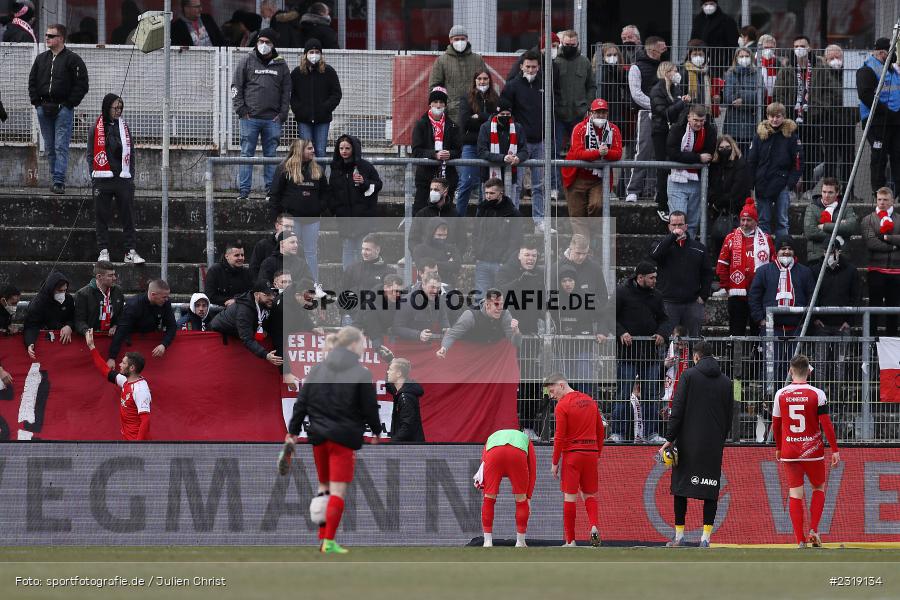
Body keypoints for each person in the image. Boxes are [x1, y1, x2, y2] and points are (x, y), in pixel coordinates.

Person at [286, 326, 381, 554]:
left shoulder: (317, 370)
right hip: (343, 437)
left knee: (324, 488)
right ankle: (328, 542)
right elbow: (369, 407)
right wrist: (376, 430)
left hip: (318, 437)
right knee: (338, 492)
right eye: (362, 342)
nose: (363, 346)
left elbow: (301, 403)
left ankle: (322, 539)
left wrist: (293, 431)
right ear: (353, 344)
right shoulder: (361, 373)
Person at [660, 341, 732, 548]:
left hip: (688, 442)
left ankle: (679, 537)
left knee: (680, 488)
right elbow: (729, 415)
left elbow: (677, 409)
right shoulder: (727, 382)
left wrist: (669, 438)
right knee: (710, 490)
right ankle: (705, 539)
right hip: (713, 444)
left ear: (696, 357)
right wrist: (720, 439)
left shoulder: (688, 376)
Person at [772, 354, 841, 548]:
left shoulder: (780, 394)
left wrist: (778, 448)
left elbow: (775, 425)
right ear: (809, 372)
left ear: (790, 371)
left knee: (795, 494)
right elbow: (826, 424)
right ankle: (814, 530)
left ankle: (799, 540)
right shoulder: (817, 394)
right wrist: (835, 449)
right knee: (818, 488)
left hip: (790, 450)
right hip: (813, 451)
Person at [28, 24, 89, 194]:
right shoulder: (41, 59)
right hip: (43, 107)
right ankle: (55, 178)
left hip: (63, 108)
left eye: (51, 35)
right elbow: (32, 81)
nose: (47, 38)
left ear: (61, 38)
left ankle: (59, 181)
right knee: (49, 147)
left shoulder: (73, 60)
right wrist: (37, 103)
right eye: (46, 35)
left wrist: (69, 104)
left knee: (60, 146)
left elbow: (82, 84)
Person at [546, 372, 605, 547]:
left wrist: (555, 462)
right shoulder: (590, 401)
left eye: (552, 391)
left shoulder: (562, 406)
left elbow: (559, 437)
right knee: (589, 495)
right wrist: (597, 453)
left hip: (572, 455)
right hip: (591, 453)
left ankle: (570, 541)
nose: (551, 396)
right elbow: (600, 431)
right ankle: (593, 526)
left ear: (561, 385)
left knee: (569, 498)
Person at [612, 262, 668, 443]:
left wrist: (662, 333)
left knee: (651, 396)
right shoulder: (622, 292)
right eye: (651, 278)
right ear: (640, 277)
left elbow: (665, 320)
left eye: (655, 277)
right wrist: (621, 332)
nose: (655, 281)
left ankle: (651, 434)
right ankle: (618, 433)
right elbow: (609, 316)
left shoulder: (657, 295)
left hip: (650, 355)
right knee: (623, 394)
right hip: (627, 354)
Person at [232, 28, 291, 201]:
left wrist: (282, 114)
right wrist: (241, 110)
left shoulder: (281, 65)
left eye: (267, 42)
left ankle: (270, 192)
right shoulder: (246, 60)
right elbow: (236, 87)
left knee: (271, 156)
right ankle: (244, 192)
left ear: (273, 45)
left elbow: (286, 92)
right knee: (246, 154)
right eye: (261, 41)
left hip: (272, 120)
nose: (263, 45)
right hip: (249, 118)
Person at [749, 237, 815, 385]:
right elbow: (754, 296)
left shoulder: (805, 272)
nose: (786, 252)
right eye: (783, 249)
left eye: (790, 249)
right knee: (771, 365)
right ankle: (770, 396)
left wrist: (805, 320)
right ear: (776, 251)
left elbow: (812, 295)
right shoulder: (763, 271)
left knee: (795, 367)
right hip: (771, 327)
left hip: (797, 327)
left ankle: (792, 394)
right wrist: (760, 319)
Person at [88, 93, 144, 264]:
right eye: (115, 108)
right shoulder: (96, 128)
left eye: (121, 108)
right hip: (102, 179)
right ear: (107, 108)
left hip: (122, 178)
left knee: (128, 216)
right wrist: (94, 175)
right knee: (101, 216)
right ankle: (103, 250)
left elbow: (131, 153)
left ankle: (130, 251)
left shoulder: (124, 128)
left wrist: (130, 176)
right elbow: (90, 154)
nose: (119, 111)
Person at [501, 51, 551, 232]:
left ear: (539, 67)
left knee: (539, 185)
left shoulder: (544, 85)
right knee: (516, 184)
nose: (531, 70)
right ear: (521, 66)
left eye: (534, 67)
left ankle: (539, 221)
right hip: (519, 144)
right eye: (528, 66)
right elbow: (505, 115)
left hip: (540, 142)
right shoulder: (511, 86)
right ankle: (513, 220)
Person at [268, 139, 329, 286]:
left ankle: (312, 285)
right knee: (289, 252)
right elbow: (275, 194)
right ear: (300, 151)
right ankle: (289, 284)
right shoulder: (284, 168)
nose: (313, 151)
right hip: (291, 220)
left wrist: (318, 207)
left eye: (312, 148)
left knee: (310, 253)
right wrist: (276, 219)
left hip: (312, 220)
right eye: (309, 148)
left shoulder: (317, 169)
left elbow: (326, 193)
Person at [562, 98, 623, 242]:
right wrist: (599, 153)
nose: (600, 115)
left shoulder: (613, 129)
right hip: (576, 177)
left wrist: (606, 153)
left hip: (599, 179)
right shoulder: (579, 128)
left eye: (603, 112)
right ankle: (582, 247)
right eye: (597, 112)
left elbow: (618, 153)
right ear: (590, 113)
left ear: (607, 114)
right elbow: (578, 153)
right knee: (577, 215)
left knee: (597, 205)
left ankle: (589, 242)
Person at [715, 198, 775, 336]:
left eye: (749, 220)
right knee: (736, 332)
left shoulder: (766, 239)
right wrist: (727, 286)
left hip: (759, 294)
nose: (745, 223)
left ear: (756, 221)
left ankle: (757, 352)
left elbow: (773, 265)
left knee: (757, 333)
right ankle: (734, 352)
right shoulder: (730, 238)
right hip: (737, 295)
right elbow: (722, 265)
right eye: (743, 220)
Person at [649, 211, 713, 337]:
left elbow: (707, 273)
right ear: (669, 226)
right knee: (665, 340)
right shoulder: (661, 245)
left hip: (692, 303)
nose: (677, 228)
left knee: (693, 341)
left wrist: (703, 296)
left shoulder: (699, 248)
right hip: (667, 302)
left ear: (686, 226)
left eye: (680, 225)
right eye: (674, 225)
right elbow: (655, 255)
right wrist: (672, 237)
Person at [473, 428, 536, 548]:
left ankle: (487, 542)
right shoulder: (526, 439)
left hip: (493, 453)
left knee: (489, 498)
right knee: (521, 499)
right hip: (517, 454)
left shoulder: (492, 437)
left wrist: (485, 488)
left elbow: (484, 462)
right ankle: (520, 542)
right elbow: (532, 471)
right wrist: (528, 497)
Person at [747, 102, 802, 238]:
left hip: (782, 184)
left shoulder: (791, 137)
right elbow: (752, 161)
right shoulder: (759, 136)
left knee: (782, 222)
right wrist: (752, 184)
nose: (774, 120)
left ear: (783, 117)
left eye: (778, 116)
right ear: (767, 116)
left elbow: (798, 163)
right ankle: (764, 249)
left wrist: (789, 184)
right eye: (771, 116)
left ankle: (783, 249)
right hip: (762, 183)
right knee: (763, 221)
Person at [85, 329, 151, 441]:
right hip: (127, 441)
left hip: (137, 444)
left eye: (123, 363)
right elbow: (105, 371)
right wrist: (91, 346)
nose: (120, 364)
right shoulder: (126, 381)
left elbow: (145, 420)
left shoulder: (140, 389)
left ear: (132, 368)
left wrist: (138, 446)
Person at [329, 134, 382, 269]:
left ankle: (362, 278)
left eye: (347, 148)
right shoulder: (335, 168)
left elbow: (378, 184)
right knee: (347, 249)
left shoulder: (365, 166)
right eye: (341, 148)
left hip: (363, 218)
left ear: (354, 149)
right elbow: (332, 191)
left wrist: (365, 182)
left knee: (361, 251)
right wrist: (334, 209)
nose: (344, 151)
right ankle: (348, 278)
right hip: (344, 218)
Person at [625, 36, 667, 203]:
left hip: (664, 114)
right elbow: (636, 94)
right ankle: (633, 190)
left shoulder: (664, 67)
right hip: (646, 113)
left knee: (663, 153)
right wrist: (657, 106)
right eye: (662, 49)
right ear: (652, 50)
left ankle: (660, 191)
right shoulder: (635, 68)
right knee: (643, 152)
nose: (664, 51)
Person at [554, 29, 596, 193]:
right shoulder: (555, 61)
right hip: (558, 114)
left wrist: (588, 106)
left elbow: (591, 86)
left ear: (578, 44)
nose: (569, 47)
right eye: (566, 44)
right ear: (561, 43)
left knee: (580, 151)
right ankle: (555, 187)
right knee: (554, 151)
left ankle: (578, 185)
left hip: (579, 114)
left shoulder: (584, 62)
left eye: (572, 44)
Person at [666, 104, 717, 238]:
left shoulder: (710, 131)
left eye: (702, 121)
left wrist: (692, 157)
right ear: (689, 117)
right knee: (678, 220)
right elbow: (672, 153)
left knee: (693, 221)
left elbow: (709, 154)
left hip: (697, 180)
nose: (698, 124)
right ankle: (676, 245)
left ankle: (689, 246)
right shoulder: (677, 128)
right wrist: (697, 158)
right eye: (695, 120)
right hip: (677, 179)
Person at [857, 38, 900, 194]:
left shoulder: (892, 70)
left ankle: (897, 192)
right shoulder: (867, 70)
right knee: (879, 158)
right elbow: (865, 95)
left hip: (895, 122)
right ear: (883, 53)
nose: (894, 55)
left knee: (897, 156)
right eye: (892, 52)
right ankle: (879, 194)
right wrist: (887, 112)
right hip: (877, 122)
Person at [650, 61, 690, 221]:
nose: (677, 73)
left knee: (672, 167)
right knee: (663, 167)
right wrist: (681, 103)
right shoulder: (657, 90)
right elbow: (665, 113)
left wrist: (683, 103)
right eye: (674, 70)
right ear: (666, 72)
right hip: (661, 132)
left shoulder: (676, 89)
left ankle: (670, 201)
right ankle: (661, 204)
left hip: (673, 132)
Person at [411, 87, 462, 214]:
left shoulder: (453, 126)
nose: (438, 105)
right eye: (435, 102)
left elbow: (458, 150)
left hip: (447, 177)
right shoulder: (421, 124)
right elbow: (416, 150)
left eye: (441, 102)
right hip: (425, 178)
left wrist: (449, 154)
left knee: (446, 213)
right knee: (421, 211)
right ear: (430, 104)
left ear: (445, 105)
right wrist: (435, 155)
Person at [774, 36, 816, 189]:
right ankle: (789, 187)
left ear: (809, 48)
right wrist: (784, 112)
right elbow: (778, 92)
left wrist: (814, 102)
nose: (799, 49)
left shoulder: (818, 68)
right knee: (789, 153)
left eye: (802, 46)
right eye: (796, 46)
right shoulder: (787, 69)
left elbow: (825, 91)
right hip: (791, 118)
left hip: (812, 117)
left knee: (811, 153)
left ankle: (808, 187)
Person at [290, 38, 342, 159]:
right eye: (311, 52)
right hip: (304, 120)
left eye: (317, 52)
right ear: (305, 54)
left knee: (320, 151)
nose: (314, 55)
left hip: (322, 120)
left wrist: (325, 108)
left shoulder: (329, 71)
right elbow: (291, 94)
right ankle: (307, 172)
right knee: (306, 152)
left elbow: (336, 94)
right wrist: (299, 109)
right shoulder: (297, 73)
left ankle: (319, 172)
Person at [811, 45, 855, 185]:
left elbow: (855, 95)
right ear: (825, 59)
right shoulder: (821, 72)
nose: (836, 60)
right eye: (832, 58)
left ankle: (848, 190)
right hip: (828, 121)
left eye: (838, 57)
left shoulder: (849, 72)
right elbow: (815, 95)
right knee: (830, 158)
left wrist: (854, 117)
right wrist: (823, 113)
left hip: (847, 121)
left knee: (849, 158)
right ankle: (830, 190)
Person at [472, 179, 524, 298]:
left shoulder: (513, 213)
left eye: (492, 193)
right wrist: (477, 254)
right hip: (482, 261)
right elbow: (476, 234)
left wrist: (504, 261)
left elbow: (516, 240)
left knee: (502, 297)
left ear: (501, 193)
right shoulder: (482, 209)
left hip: (501, 263)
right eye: (486, 193)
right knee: (480, 298)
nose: (488, 196)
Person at [456, 71, 499, 215]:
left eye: (485, 78)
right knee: (466, 182)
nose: (482, 81)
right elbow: (465, 122)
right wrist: (487, 120)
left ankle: (481, 221)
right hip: (470, 145)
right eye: (479, 78)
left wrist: (479, 116)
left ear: (490, 80)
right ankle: (458, 219)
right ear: (474, 81)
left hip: (489, 147)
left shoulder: (495, 99)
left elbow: (497, 121)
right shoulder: (466, 98)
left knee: (485, 186)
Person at [211, 282, 283, 367]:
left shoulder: (265, 304)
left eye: (273, 294)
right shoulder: (244, 311)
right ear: (257, 295)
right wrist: (266, 355)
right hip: (217, 337)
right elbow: (247, 339)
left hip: (237, 334)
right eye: (267, 295)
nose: (272, 298)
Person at [428, 25, 487, 126]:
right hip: (451, 113)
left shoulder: (478, 60)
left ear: (467, 39)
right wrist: (443, 106)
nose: (460, 42)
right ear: (450, 40)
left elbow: (486, 83)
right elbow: (435, 87)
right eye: (456, 39)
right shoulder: (441, 61)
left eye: (462, 39)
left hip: (475, 111)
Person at [108, 280, 177, 365]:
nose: (167, 299)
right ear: (153, 294)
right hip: (133, 341)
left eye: (167, 297)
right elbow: (121, 331)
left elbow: (172, 326)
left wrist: (164, 344)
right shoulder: (133, 305)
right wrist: (112, 357)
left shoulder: (165, 303)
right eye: (164, 297)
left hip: (151, 338)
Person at [437, 289, 521, 358]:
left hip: (492, 356)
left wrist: (516, 332)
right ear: (487, 305)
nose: (500, 308)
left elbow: (516, 343)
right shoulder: (470, 315)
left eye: (502, 304)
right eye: (496, 304)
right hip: (469, 354)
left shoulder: (505, 314)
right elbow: (451, 334)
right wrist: (444, 348)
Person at [861, 187, 900, 336]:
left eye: (885, 200)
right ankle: (871, 342)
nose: (882, 203)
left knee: (893, 310)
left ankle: (891, 343)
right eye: (879, 200)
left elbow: (877, 240)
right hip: (876, 270)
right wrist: (893, 246)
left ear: (892, 201)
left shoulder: (899, 219)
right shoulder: (869, 219)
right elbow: (871, 242)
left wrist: (886, 237)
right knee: (874, 308)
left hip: (896, 271)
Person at [476, 98, 528, 208]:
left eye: (508, 114)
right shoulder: (485, 127)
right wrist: (502, 158)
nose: (505, 116)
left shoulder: (518, 128)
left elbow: (524, 150)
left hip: (510, 176)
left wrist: (518, 158)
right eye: (502, 114)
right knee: (488, 208)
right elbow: (482, 151)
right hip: (489, 176)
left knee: (510, 208)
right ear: (496, 114)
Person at [708, 135, 753, 252]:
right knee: (718, 240)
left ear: (733, 147)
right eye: (721, 148)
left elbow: (739, 188)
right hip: (718, 210)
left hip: (736, 208)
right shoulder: (714, 165)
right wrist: (714, 202)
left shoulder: (740, 163)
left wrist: (720, 202)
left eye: (727, 147)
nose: (724, 150)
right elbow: (711, 185)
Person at [802, 177, 859, 270]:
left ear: (837, 193)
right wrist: (838, 233)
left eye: (830, 192)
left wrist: (825, 226)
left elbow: (851, 227)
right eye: (824, 192)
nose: (826, 195)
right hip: (817, 256)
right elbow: (810, 232)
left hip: (841, 256)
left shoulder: (846, 208)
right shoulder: (812, 207)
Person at [340, 234, 393, 325]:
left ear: (377, 250)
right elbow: (343, 293)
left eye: (368, 249)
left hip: (376, 320)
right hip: (353, 317)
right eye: (363, 249)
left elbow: (390, 300)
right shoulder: (352, 269)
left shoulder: (389, 272)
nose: (364, 252)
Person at [496, 243, 545, 335]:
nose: (531, 258)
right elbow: (500, 291)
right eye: (527, 255)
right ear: (519, 256)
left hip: (531, 323)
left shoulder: (539, 272)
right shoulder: (505, 270)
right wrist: (519, 282)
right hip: (510, 322)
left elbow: (542, 296)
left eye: (534, 256)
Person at [23, 272, 74, 359]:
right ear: (52, 289)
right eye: (60, 291)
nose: (63, 294)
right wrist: (30, 342)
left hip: (63, 339)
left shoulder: (68, 299)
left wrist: (69, 326)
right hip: (45, 340)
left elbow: (73, 317)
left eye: (65, 290)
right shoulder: (38, 303)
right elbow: (31, 325)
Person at [722, 47, 762, 158]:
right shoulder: (730, 74)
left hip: (751, 125)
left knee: (749, 158)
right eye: (741, 56)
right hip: (733, 125)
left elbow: (760, 95)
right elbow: (728, 98)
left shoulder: (757, 74)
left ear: (751, 58)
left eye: (747, 56)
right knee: (733, 158)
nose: (744, 58)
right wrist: (750, 99)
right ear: (736, 58)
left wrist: (742, 98)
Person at [409, 178, 462, 254]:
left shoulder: (455, 215)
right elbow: (413, 240)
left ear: (445, 192)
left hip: (448, 258)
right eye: (431, 190)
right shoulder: (422, 214)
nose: (432, 192)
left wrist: (455, 256)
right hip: (426, 258)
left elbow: (462, 240)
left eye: (436, 190)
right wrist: (420, 256)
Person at [393, 273, 450, 344]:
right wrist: (418, 335)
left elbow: (443, 317)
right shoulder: (406, 302)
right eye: (432, 287)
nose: (435, 291)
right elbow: (397, 328)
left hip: (429, 343)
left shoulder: (439, 299)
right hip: (408, 344)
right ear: (423, 285)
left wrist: (446, 328)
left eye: (438, 288)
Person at [73, 261, 126, 337]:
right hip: (91, 337)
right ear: (99, 276)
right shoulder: (83, 294)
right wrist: (86, 332)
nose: (114, 278)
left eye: (114, 274)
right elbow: (79, 320)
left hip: (112, 337)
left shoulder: (118, 291)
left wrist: (116, 325)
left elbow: (122, 314)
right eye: (110, 275)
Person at [352, 274, 403, 352]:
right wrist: (378, 343)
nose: (396, 295)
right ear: (385, 288)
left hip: (383, 330)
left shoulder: (399, 298)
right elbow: (371, 323)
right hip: (365, 330)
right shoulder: (372, 300)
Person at [593, 43, 631, 144]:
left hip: (617, 112)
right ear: (602, 57)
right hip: (605, 113)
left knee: (613, 142)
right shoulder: (601, 72)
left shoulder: (619, 71)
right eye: (609, 55)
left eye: (615, 55)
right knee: (606, 141)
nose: (612, 58)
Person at [690, 0, 738, 74]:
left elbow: (733, 43)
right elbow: (693, 40)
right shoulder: (698, 20)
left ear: (716, 5)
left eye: (711, 4)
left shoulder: (727, 20)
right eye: (706, 4)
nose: (709, 6)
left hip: (720, 61)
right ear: (702, 6)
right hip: (700, 59)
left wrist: (729, 63)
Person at [413, 218, 462, 286]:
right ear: (431, 233)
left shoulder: (451, 248)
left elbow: (456, 266)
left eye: (445, 235)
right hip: (426, 285)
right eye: (439, 235)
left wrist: (433, 263)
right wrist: (447, 264)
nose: (442, 238)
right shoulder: (420, 249)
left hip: (447, 285)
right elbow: (422, 266)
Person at [386, 358, 425, 442]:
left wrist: (392, 443)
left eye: (390, 369)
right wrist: (389, 360)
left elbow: (407, 426)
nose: (387, 372)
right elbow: (389, 386)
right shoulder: (400, 391)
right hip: (405, 445)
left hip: (410, 447)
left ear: (399, 374)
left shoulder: (405, 397)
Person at [205, 241, 253, 307]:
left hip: (242, 310)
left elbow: (251, 294)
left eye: (242, 255)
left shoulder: (247, 273)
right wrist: (229, 301)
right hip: (218, 311)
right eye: (237, 255)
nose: (241, 258)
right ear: (227, 256)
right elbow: (210, 296)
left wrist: (236, 300)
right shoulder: (215, 271)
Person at [250, 213, 294, 280]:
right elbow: (254, 269)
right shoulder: (263, 245)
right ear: (277, 225)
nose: (290, 230)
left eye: (292, 227)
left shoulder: (296, 246)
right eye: (287, 226)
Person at [682, 40, 721, 115]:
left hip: (706, 113)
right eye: (695, 54)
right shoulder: (684, 71)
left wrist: (716, 98)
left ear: (705, 56)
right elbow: (681, 92)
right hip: (689, 112)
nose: (698, 57)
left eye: (700, 54)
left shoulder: (708, 71)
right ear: (689, 55)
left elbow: (714, 91)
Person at [756, 34, 781, 107]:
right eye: (766, 47)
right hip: (756, 101)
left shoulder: (777, 62)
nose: (769, 50)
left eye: (771, 48)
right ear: (760, 47)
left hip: (773, 101)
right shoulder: (754, 61)